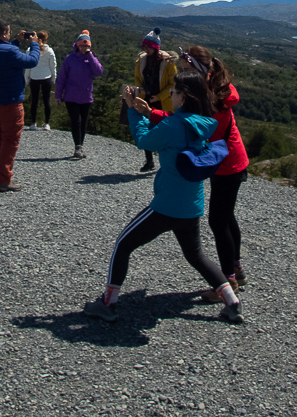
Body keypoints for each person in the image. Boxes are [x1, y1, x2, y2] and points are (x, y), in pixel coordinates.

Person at [84, 71, 243, 324]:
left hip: (167, 205)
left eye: (174, 92)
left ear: (184, 96)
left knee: (123, 245)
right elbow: (172, 130)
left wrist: (133, 111)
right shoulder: (203, 122)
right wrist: (147, 111)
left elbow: (144, 141)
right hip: (191, 205)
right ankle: (232, 303)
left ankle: (108, 304)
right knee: (197, 256)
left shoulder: (174, 125)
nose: (171, 96)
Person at [180, 46, 250, 296]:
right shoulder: (212, 89)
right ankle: (237, 269)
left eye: (185, 70)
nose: (181, 75)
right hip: (231, 161)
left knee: (218, 221)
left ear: (199, 72)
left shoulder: (211, 99)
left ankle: (228, 282)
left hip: (227, 164)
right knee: (227, 217)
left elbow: (193, 127)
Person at [0, 19, 40, 192]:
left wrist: (16, 42)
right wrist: (34, 44)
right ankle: (5, 179)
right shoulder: (9, 51)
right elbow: (31, 61)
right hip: (11, 102)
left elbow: (4, 54)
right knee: (10, 141)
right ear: (5, 33)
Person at [133, 27, 177, 172]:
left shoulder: (168, 63)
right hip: (146, 99)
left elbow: (173, 84)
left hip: (162, 102)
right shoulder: (141, 60)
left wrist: (160, 96)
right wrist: (140, 89)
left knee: (162, 131)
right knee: (148, 130)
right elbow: (137, 78)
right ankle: (149, 161)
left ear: (155, 47)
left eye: (149, 47)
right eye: (144, 47)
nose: (146, 50)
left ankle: (165, 161)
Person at [54, 30, 103, 159]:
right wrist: (58, 95)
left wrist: (90, 56)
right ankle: (78, 146)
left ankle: (80, 145)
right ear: (77, 45)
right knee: (77, 121)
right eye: (82, 45)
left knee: (84, 122)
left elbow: (98, 72)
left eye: (86, 46)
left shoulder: (91, 59)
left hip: (86, 97)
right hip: (71, 96)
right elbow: (61, 78)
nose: (84, 48)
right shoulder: (69, 59)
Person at [24, 31, 56, 130]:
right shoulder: (50, 51)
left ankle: (33, 123)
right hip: (46, 77)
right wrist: (54, 78)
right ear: (46, 39)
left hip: (34, 77)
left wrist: (26, 79)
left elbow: (28, 66)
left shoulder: (30, 50)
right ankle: (46, 123)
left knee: (34, 101)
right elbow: (53, 66)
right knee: (46, 101)